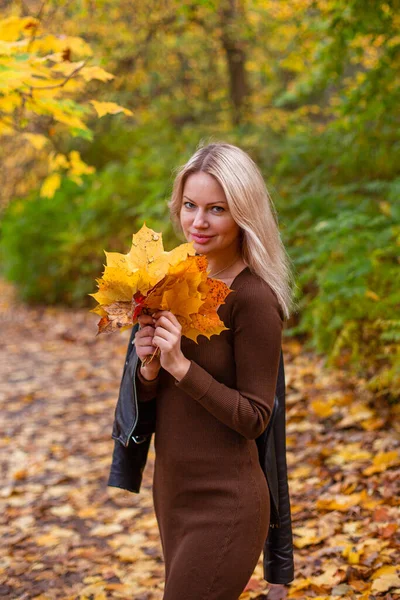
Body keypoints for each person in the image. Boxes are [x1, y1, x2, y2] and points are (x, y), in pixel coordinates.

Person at [113, 141, 296, 599]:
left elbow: (257, 417)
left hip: (227, 502)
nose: (198, 221)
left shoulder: (253, 299)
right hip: (173, 495)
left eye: (217, 209)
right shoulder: (168, 281)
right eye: (190, 205)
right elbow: (153, 399)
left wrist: (180, 366)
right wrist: (152, 368)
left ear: (243, 213)